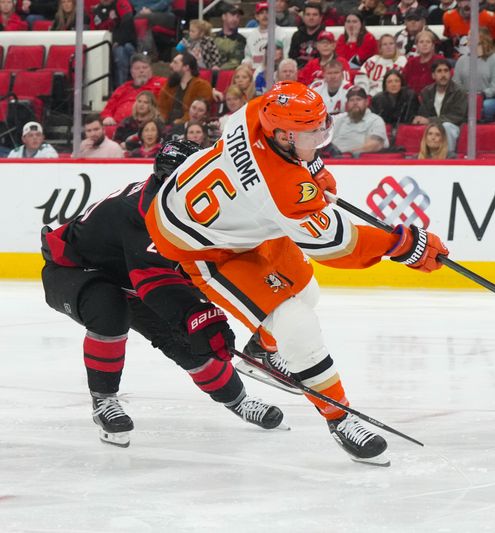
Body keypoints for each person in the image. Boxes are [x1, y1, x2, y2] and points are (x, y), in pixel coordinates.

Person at [145, 81, 449, 466]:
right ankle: (340, 418)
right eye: (312, 135)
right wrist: (403, 245)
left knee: (306, 292)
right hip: (200, 245)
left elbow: (290, 156)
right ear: (284, 136)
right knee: (295, 322)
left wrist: (313, 168)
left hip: (241, 220)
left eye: (322, 128)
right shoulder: (282, 189)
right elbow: (337, 245)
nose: (321, 139)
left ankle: (263, 351)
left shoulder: (257, 112)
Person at [41, 140, 284, 448]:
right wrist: (196, 313)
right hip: (74, 270)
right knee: (110, 310)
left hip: (130, 276)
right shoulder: (143, 214)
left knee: (189, 341)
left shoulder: (182, 202)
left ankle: (238, 400)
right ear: (170, 179)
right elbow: (153, 278)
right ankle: (104, 400)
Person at [413, 58, 468, 151]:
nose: (443, 75)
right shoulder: (426, 92)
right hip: (432, 126)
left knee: (446, 126)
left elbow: (457, 117)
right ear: (433, 75)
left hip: (454, 127)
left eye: (446, 71)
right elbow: (424, 114)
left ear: (450, 73)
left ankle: (448, 156)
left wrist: (430, 120)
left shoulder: (459, 92)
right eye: (439, 71)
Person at [453, 28, 495, 122]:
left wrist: (481, 95)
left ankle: (483, 125)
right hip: (465, 98)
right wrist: (465, 95)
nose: (468, 37)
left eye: (471, 35)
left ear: (482, 38)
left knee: (487, 105)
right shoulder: (461, 60)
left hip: (487, 98)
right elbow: (456, 83)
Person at [101, 54, 166, 126]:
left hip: (148, 126)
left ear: (151, 70)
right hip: (119, 126)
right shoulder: (122, 88)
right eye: (137, 68)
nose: (141, 71)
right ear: (132, 72)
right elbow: (107, 110)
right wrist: (107, 117)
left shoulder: (162, 83)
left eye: (145, 67)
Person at [157, 52, 213, 127]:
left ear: (186, 67)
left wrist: (180, 122)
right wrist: (160, 121)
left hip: (189, 126)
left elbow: (199, 112)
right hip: (166, 125)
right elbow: (161, 107)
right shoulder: (169, 84)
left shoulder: (202, 86)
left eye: (175, 63)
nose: (171, 65)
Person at [330, 85, 389, 155]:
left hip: (360, 159)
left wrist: (348, 154)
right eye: (351, 100)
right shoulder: (339, 120)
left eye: (358, 99)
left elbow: (374, 145)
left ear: (366, 102)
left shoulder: (376, 120)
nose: (355, 103)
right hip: (332, 158)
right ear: (347, 104)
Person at [90, 0, 136, 88]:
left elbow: (128, 25)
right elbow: (93, 32)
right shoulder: (96, 11)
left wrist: (117, 41)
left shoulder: (121, 3)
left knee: (121, 51)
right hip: (103, 45)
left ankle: (121, 88)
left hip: (126, 43)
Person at [402, 29, 444, 95]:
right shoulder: (411, 63)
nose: (425, 44)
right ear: (417, 46)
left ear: (433, 46)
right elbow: (403, 83)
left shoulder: (440, 61)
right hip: (412, 99)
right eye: (421, 42)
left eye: (428, 42)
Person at [289, 1, 326, 68]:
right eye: (308, 14)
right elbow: (291, 59)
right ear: (303, 17)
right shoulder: (296, 35)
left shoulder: (325, 36)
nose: (311, 18)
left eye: (315, 15)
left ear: (321, 18)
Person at [213, 3, 247, 70]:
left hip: (230, 74)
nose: (235, 19)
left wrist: (219, 69)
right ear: (224, 16)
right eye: (232, 15)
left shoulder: (241, 40)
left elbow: (236, 61)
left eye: (238, 16)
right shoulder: (212, 37)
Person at [242, 2, 271, 74]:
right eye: (261, 13)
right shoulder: (251, 36)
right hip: (255, 72)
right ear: (256, 16)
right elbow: (248, 56)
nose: (265, 15)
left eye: (267, 12)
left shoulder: (280, 33)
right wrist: (246, 63)